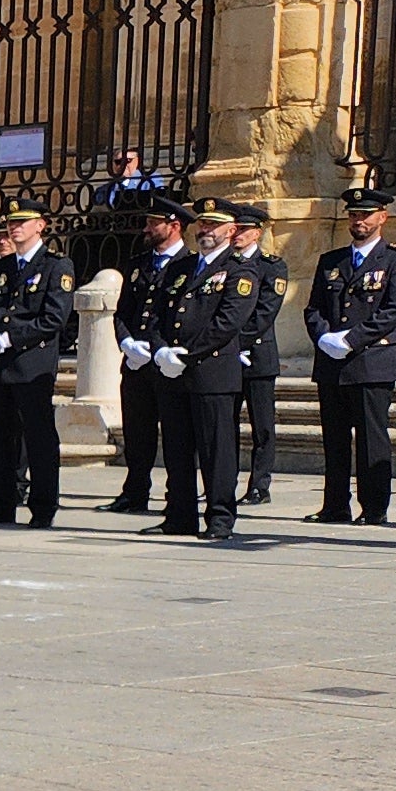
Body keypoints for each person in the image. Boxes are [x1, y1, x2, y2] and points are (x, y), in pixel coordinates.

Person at [149, 201, 259, 542]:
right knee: (178, 449)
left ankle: (220, 517)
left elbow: (227, 323)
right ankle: (179, 515)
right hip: (174, 373)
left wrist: (187, 354)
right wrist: (160, 349)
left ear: (231, 230)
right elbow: (156, 315)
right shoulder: (180, 268)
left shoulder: (240, 270)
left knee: (217, 451)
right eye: (203, 224)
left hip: (211, 372)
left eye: (214, 225)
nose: (206, 230)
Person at [305, 189, 396, 527]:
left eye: (366, 215)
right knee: (334, 440)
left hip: (371, 362)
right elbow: (313, 308)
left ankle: (374, 506)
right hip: (332, 363)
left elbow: (394, 310)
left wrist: (351, 340)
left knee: (371, 439)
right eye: (353, 215)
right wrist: (323, 336)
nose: (359, 221)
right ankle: (335, 505)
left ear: (383, 217)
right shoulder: (331, 261)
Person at [0, 207, 73, 527]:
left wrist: (10, 338)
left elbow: (54, 318)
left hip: (30, 363)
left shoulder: (56, 266)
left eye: (21, 222)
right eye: (11, 223)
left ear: (40, 225)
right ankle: (1, 502)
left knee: (38, 438)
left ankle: (42, 506)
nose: (14, 228)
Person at [102, 199, 191, 515]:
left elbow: (181, 317)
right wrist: (125, 341)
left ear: (174, 225)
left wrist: (156, 349)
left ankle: (176, 495)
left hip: (166, 362)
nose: (147, 228)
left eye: (154, 223)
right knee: (137, 432)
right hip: (136, 362)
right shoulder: (138, 263)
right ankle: (134, 491)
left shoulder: (188, 264)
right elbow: (123, 310)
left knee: (175, 433)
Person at [232, 204, 288, 508]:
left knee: (262, 426)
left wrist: (236, 341)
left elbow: (265, 312)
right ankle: (222, 480)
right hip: (224, 355)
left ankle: (259, 485)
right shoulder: (224, 264)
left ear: (257, 233)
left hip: (257, 354)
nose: (237, 235)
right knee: (224, 424)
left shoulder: (271, 266)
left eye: (243, 230)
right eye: (234, 229)